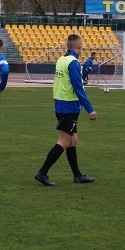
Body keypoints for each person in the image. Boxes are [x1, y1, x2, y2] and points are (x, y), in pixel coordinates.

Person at [34, 34, 97, 186]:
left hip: (60, 103)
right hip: (69, 106)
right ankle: (42, 173)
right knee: (64, 141)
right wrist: (90, 109)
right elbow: (78, 87)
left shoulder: (62, 59)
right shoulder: (73, 63)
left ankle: (77, 175)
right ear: (79, 47)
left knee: (73, 140)